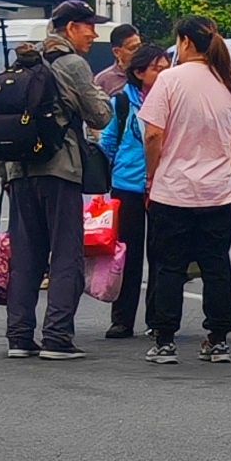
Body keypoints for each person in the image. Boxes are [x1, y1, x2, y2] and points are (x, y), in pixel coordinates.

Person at [0, 0, 111, 361]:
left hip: (18, 172)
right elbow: (101, 115)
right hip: (59, 170)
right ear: (70, 29)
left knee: (26, 256)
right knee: (65, 254)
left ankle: (19, 337)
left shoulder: (23, 63)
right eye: (88, 25)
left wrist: (5, 174)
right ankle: (58, 337)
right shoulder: (73, 64)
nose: (94, 33)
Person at [135, 16, 231, 365]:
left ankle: (165, 339)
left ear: (184, 41)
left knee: (169, 266)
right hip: (217, 192)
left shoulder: (169, 80)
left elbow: (153, 134)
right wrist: (230, 181)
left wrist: (152, 175)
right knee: (216, 266)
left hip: (174, 190)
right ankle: (218, 338)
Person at [98, 38, 167, 340]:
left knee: (162, 254)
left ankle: (158, 319)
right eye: (157, 68)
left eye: (167, 67)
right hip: (127, 187)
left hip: (164, 187)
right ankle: (122, 320)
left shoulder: (171, 99)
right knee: (127, 254)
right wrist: (105, 180)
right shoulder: (122, 101)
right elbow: (108, 141)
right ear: (139, 72)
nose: (164, 73)